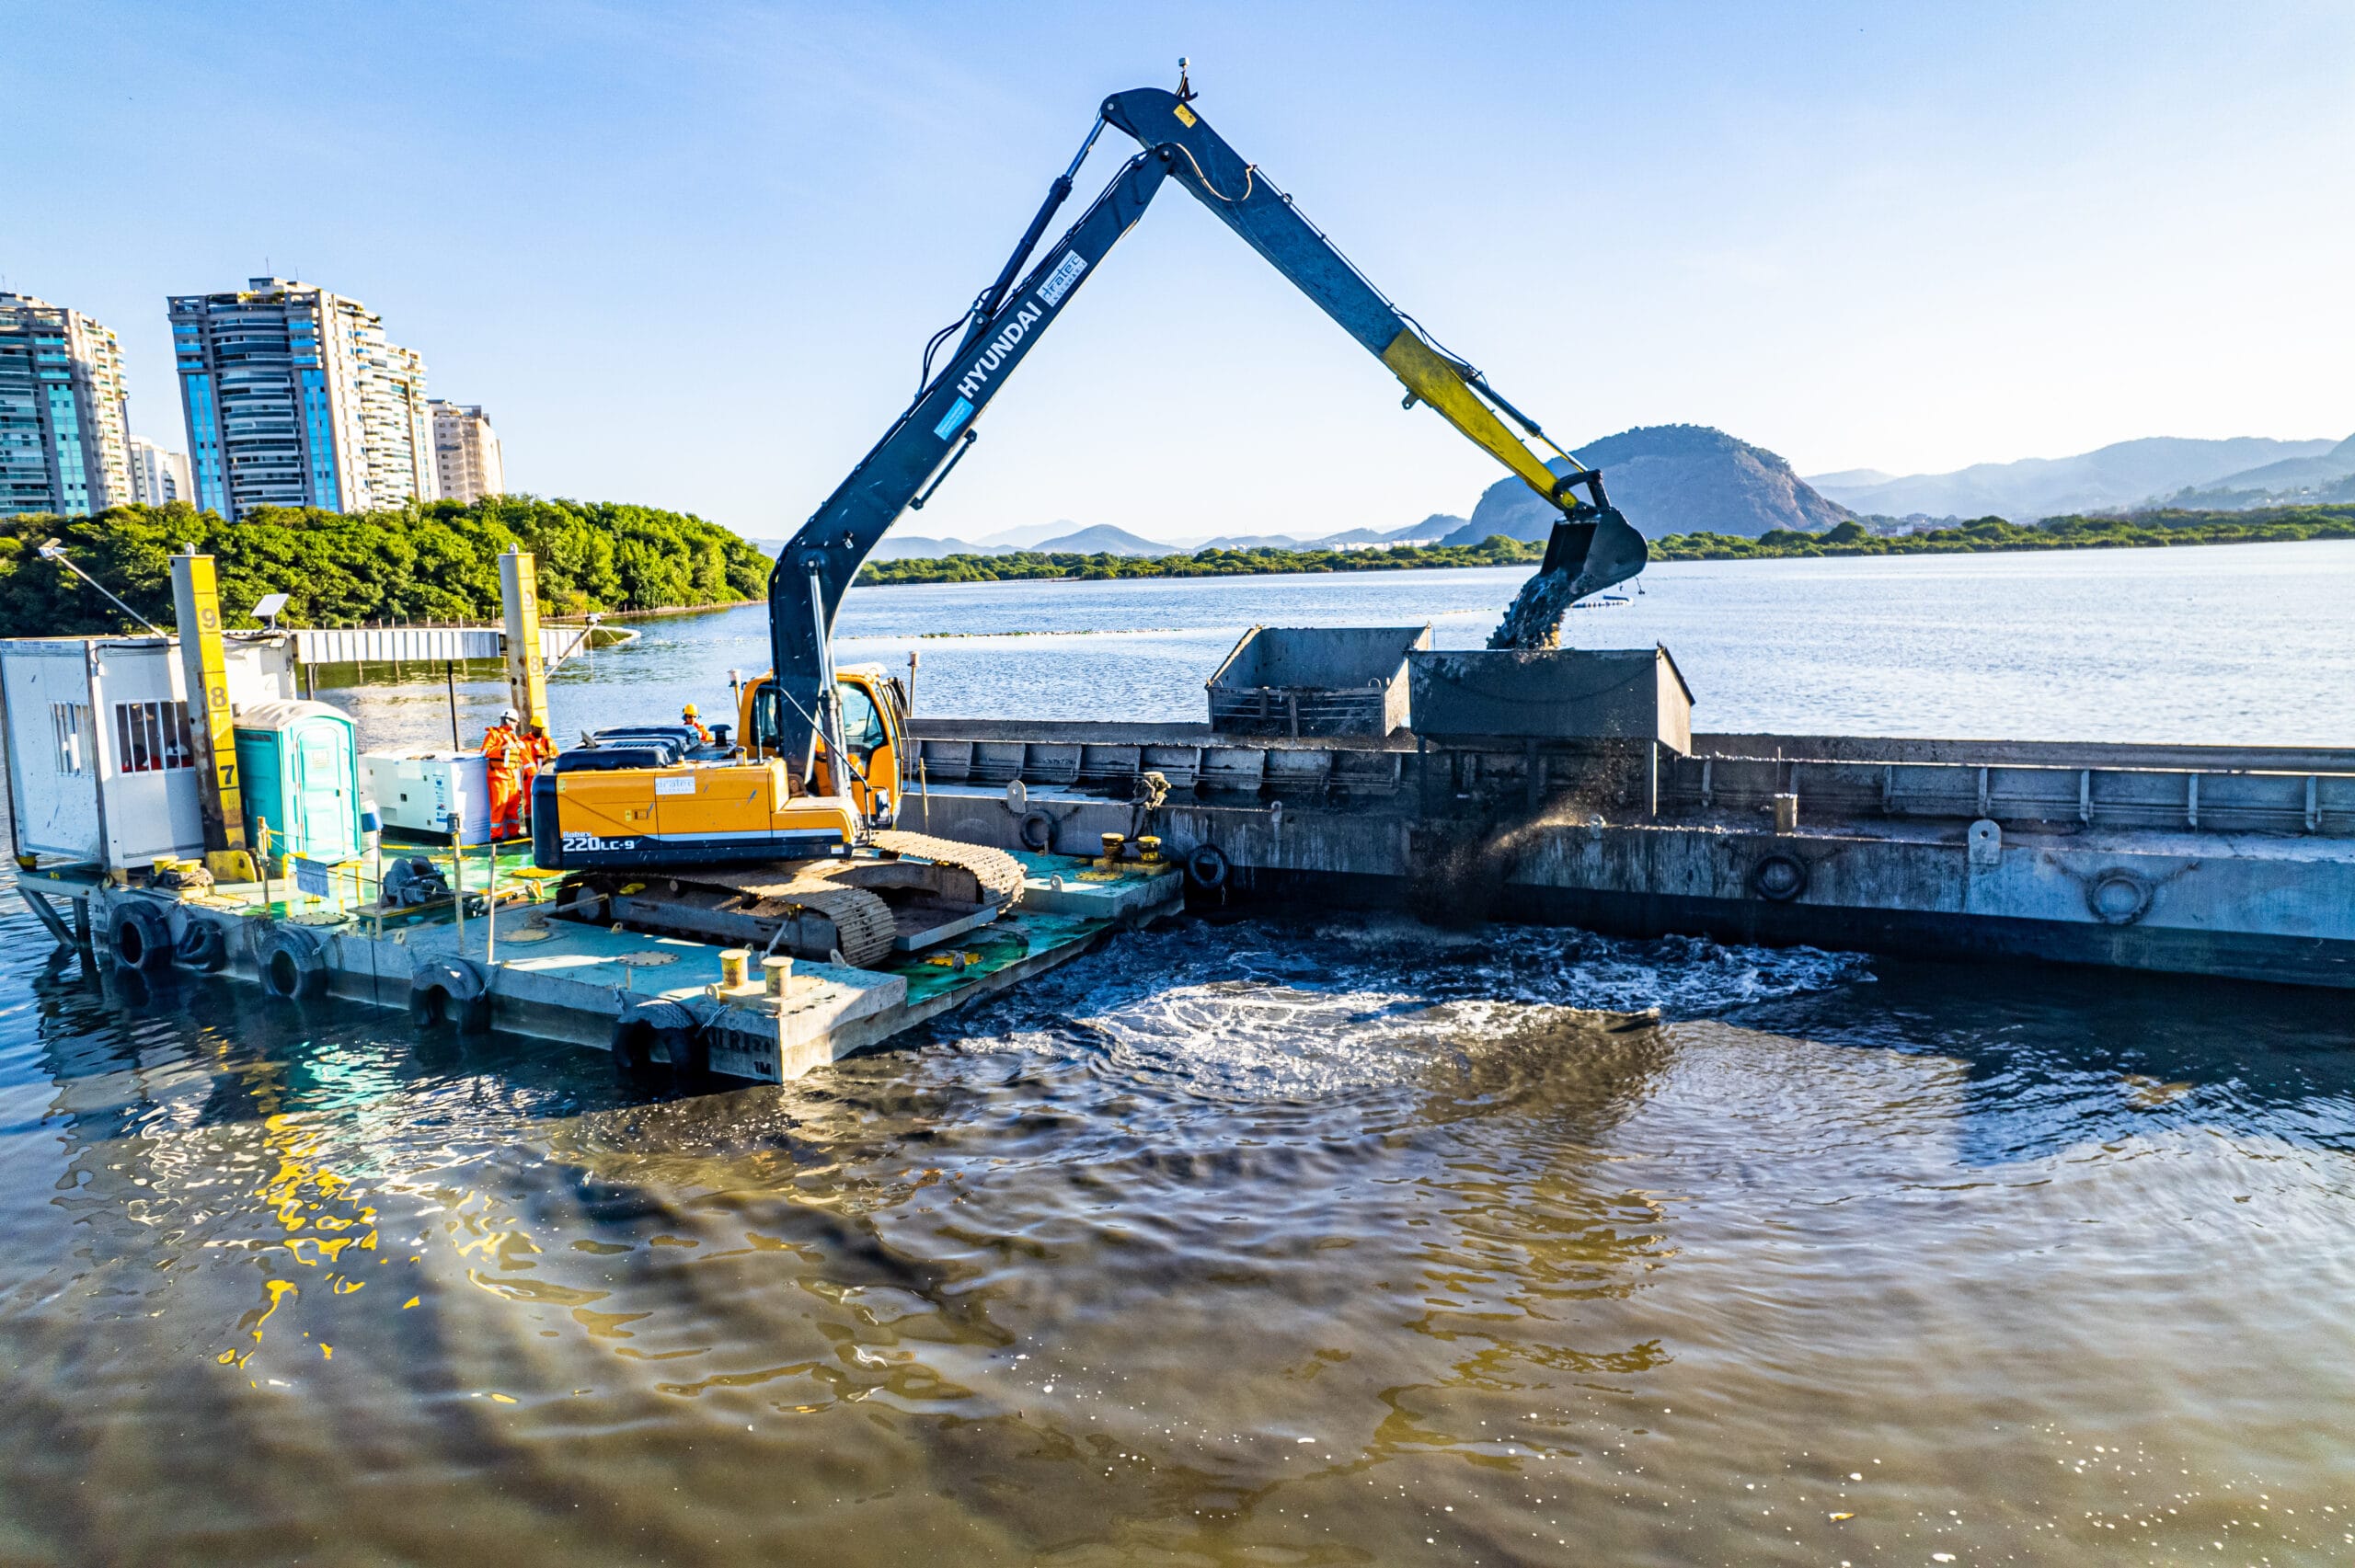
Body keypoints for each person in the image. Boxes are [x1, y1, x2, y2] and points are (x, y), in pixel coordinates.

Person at [482, 706, 527, 841]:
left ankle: (514, 833)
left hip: (512, 776)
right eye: (515, 722)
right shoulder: (493, 735)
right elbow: (484, 752)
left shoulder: (512, 736)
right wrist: (501, 748)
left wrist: (521, 747)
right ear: (508, 721)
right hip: (499, 776)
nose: (517, 724)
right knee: (499, 806)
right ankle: (496, 836)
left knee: (513, 806)